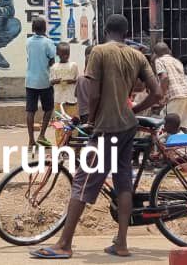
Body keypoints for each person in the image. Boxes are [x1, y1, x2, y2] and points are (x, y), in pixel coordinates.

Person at [29, 14, 162, 260]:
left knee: (82, 181)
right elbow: (156, 94)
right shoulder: (136, 56)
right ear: (126, 33)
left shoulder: (99, 52)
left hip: (106, 128)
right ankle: (121, 242)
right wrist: (134, 110)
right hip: (127, 128)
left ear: (105, 31)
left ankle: (64, 244)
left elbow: (94, 94)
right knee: (123, 183)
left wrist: (90, 120)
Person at [26, 17, 56, 150]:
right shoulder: (48, 42)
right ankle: (42, 135)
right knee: (48, 109)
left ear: (33, 29)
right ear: (45, 29)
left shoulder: (28, 42)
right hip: (44, 81)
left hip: (30, 81)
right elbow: (52, 59)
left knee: (30, 111)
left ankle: (31, 140)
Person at [154, 42, 187, 132]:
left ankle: (167, 144)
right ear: (169, 51)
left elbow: (164, 78)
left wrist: (162, 96)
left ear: (155, 54)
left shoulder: (159, 61)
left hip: (175, 96)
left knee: (168, 124)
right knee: (184, 125)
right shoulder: (176, 61)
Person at [49, 42, 78, 146]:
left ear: (69, 54)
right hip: (58, 100)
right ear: (57, 54)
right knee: (59, 125)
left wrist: (72, 81)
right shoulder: (54, 67)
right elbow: (51, 81)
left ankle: (73, 146)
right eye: (62, 54)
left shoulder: (73, 66)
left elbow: (76, 80)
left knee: (73, 125)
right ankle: (60, 146)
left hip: (71, 100)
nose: (65, 56)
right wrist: (56, 81)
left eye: (66, 54)